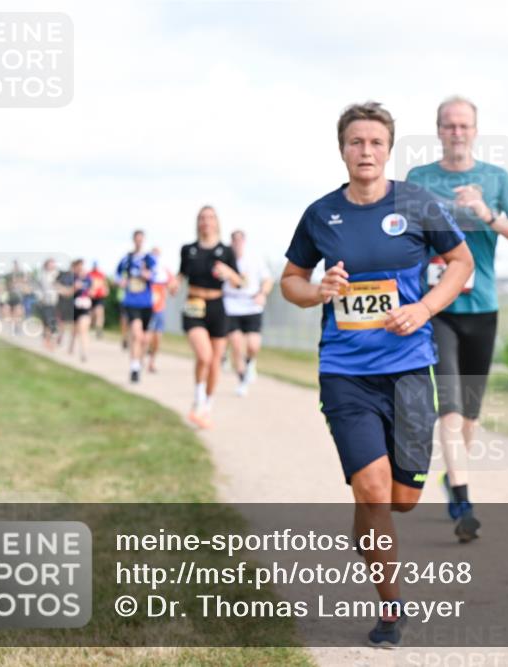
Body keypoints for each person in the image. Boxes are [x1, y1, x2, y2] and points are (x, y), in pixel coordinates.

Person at [281, 101, 472, 648]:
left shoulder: (416, 202)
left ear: (389, 149)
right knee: (370, 487)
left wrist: (425, 309)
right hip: (344, 370)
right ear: (342, 149)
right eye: (355, 142)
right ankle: (390, 608)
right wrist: (318, 290)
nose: (365, 151)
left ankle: (368, 529)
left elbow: (461, 263)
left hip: (409, 368)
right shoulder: (321, 214)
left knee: (400, 500)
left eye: (375, 143)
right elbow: (290, 280)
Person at [406, 95, 508, 543]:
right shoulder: (419, 180)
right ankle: (461, 495)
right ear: (438, 131)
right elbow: (400, 233)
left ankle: (453, 474)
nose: (456, 132)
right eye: (449, 126)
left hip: (483, 307)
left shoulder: (495, 179)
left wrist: (487, 214)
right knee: (451, 405)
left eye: (464, 126)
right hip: (437, 307)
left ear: (475, 131)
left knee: (471, 415)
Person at [179, 206, 243, 428]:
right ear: (198, 222)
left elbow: (239, 281)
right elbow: (181, 274)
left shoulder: (226, 251)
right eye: (202, 218)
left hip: (217, 305)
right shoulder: (188, 249)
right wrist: (173, 283)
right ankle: (197, 399)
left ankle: (207, 406)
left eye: (210, 218)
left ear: (216, 222)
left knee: (215, 361)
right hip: (194, 304)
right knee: (204, 356)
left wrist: (229, 273)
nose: (206, 221)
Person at [224, 230, 274, 396]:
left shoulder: (254, 259)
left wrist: (262, 294)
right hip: (231, 306)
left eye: (240, 240)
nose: (237, 243)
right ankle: (242, 380)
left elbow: (268, 279)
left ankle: (250, 361)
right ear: (231, 242)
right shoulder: (225, 259)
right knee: (237, 345)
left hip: (252, 305)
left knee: (253, 345)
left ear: (244, 241)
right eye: (234, 240)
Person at [116, 230, 157, 384]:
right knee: (137, 335)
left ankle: (138, 363)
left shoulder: (149, 259)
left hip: (146, 302)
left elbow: (157, 276)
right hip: (131, 301)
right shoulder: (127, 259)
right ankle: (134, 367)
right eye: (137, 239)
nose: (139, 242)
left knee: (145, 339)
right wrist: (121, 281)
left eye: (141, 240)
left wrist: (149, 276)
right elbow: (117, 275)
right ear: (134, 240)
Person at [146, 247, 178, 374]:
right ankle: (140, 360)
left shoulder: (164, 271)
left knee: (157, 338)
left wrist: (173, 289)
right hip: (146, 308)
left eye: (158, 254)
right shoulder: (145, 270)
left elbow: (173, 286)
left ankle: (152, 362)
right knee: (146, 337)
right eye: (154, 254)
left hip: (159, 308)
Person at [66, 259, 93, 362]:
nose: (81, 268)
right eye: (79, 266)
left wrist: (90, 293)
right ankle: (71, 346)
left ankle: (84, 352)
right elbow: (67, 293)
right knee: (74, 330)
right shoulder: (71, 278)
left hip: (85, 307)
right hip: (74, 307)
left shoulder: (88, 279)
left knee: (83, 330)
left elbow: (93, 291)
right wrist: (74, 288)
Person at [37, 259, 60, 350]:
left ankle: (52, 343)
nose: (52, 266)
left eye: (53, 264)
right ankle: (46, 340)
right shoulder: (42, 276)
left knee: (53, 323)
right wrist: (40, 298)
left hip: (55, 303)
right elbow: (38, 289)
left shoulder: (57, 275)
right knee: (46, 322)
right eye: (50, 264)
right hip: (45, 302)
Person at [86, 261, 109, 339]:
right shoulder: (88, 274)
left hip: (99, 297)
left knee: (100, 313)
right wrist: (89, 291)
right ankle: (88, 328)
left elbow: (105, 284)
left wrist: (106, 290)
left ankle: (99, 331)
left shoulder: (101, 274)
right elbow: (86, 285)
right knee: (91, 315)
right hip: (90, 297)